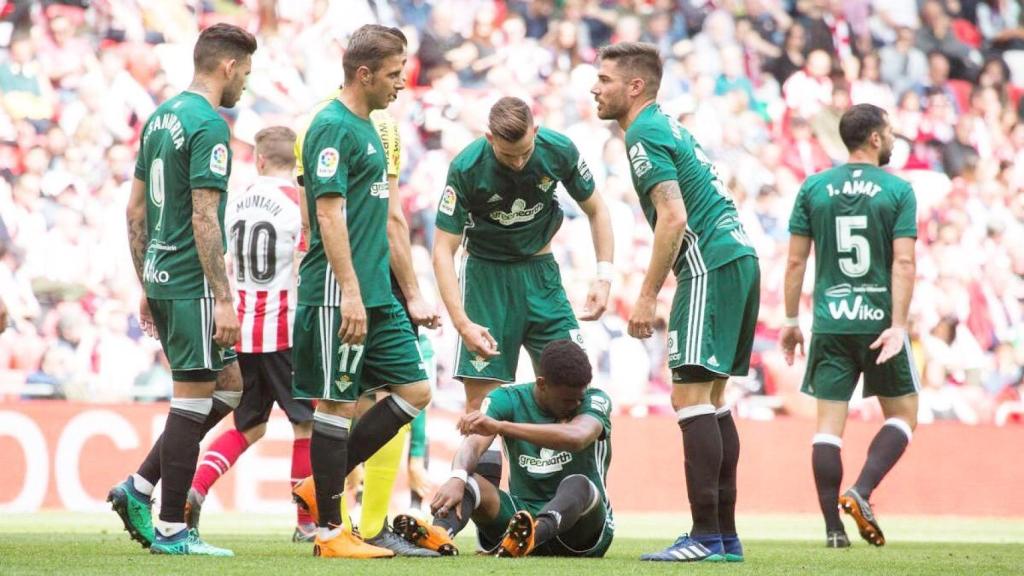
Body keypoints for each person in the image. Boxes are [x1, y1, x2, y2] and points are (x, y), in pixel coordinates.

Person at [592, 42, 760, 563]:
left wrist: (646, 296)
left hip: (708, 264)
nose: (594, 88)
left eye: (604, 79)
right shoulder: (666, 124)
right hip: (737, 257)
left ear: (635, 86)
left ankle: (705, 536)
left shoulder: (642, 132)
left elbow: (674, 216)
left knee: (689, 400)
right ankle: (724, 538)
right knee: (713, 400)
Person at [107, 23, 257, 556]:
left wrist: (147, 279)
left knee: (231, 388)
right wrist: (222, 298)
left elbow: (135, 210)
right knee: (194, 399)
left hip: (164, 276)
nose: (246, 85)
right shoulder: (209, 126)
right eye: (246, 73)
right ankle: (171, 528)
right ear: (228, 66)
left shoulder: (158, 118)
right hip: (193, 284)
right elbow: (204, 216)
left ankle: (139, 487)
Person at [292, 24, 433, 559]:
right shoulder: (331, 126)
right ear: (364, 73)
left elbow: (388, 218)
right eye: (395, 74)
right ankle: (330, 533)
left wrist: (406, 293)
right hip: (337, 291)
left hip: (377, 292)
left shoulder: (372, 127)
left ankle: (323, 483)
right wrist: (349, 291)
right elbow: (327, 214)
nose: (402, 83)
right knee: (335, 403)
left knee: (415, 390)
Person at [432, 95, 614, 489]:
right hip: (485, 278)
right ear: (489, 137)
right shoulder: (466, 167)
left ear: (536, 130)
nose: (517, 163)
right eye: (507, 155)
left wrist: (603, 276)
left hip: (541, 275)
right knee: (480, 408)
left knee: (573, 380)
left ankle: (572, 506)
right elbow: (442, 251)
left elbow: (597, 209)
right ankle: (485, 520)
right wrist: (462, 324)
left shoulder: (558, 150)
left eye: (524, 153)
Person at [781, 103, 919, 549]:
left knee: (827, 429)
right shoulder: (898, 190)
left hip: (831, 323)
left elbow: (796, 260)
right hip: (880, 325)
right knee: (903, 414)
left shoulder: (814, 187)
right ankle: (860, 490)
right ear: (876, 138)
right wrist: (898, 324)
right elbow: (903, 261)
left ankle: (833, 532)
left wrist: (789, 320)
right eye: (891, 132)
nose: (894, 139)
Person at [178, 126, 316, 542]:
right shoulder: (298, 203)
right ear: (294, 161)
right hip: (284, 328)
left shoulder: (236, 202)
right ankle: (307, 524)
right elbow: (307, 260)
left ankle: (196, 487)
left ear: (258, 159)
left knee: (249, 424)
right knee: (306, 425)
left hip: (238, 328)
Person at [392, 340, 614, 558]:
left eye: (579, 398)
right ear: (542, 383)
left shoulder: (595, 399)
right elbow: (474, 444)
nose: (576, 405)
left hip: (582, 530)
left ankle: (532, 535)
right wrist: (457, 476)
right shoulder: (507, 398)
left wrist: (501, 427)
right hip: (520, 521)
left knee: (580, 484)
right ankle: (439, 534)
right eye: (567, 400)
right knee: (468, 480)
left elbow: (577, 437)